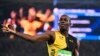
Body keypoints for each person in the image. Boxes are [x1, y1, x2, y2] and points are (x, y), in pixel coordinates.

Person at [2, 15, 78, 56]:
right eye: (61, 20)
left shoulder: (75, 40)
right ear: (58, 24)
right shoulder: (52, 34)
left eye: (65, 20)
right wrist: (15, 32)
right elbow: (33, 39)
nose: (62, 22)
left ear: (70, 24)